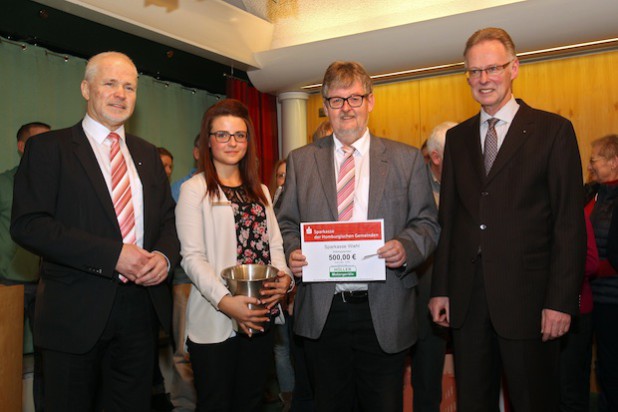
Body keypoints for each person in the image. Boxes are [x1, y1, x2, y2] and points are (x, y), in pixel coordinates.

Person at [10, 52, 180, 412]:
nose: (121, 93)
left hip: (140, 313)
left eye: (130, 86)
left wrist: (164, 257)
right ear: (86, 88)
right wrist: (113, 254)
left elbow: (168, 220)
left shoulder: (148, 155)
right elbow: (29, 225)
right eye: (110, 83)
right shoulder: (48, 149)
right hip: (73, 314)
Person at [429, 27, 585, 411]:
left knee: (535, 401)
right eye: (475, 72)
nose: (484, 79)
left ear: (514, 68)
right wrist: (441, 288)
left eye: (492, 68)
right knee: (474, 403)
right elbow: (450, 220)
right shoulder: (459, 140)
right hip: (468, 303)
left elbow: (568, 223)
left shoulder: (553, 131)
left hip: (531, 303)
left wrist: (561, 302)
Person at [277, 61, 439, 412]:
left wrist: (406, 247)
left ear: (371, 102)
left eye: (354, 98)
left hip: (384, 306)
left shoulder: (406, 159)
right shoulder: (302, 161)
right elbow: (286, 221)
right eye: (336, 100)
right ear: (325, 106)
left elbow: (428, 223)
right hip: (324, 308)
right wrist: (292, 251)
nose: (346, 108)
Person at [175, 98, 293, 412]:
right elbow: (192, 258)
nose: (232, 142)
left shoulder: (261, 191)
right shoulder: (194, 190)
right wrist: (227, 303)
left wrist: (286, 280)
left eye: (239, 135)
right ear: (208, 141)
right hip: (216, 317)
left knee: (251, 402)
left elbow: (276, 248)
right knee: (216, 404)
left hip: (260, 313)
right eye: (223, 135)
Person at [0, 121, 50, 411]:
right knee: (7, 356)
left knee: (47, 358)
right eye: (38, 141)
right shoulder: (5, 184)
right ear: (22, 147)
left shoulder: (59, 186)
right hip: (8, 284)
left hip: (47, 285)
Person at [410, 121, 455, 412]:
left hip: (466, 293)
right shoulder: (413, 186)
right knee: (426, 377)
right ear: (436, 157)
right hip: (423, 295)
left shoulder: (473, 183)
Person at [585, 134, 618, 411]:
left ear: (613, 162)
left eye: (594, 159)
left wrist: (589, 270)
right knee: (602, 367)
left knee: (612, 366)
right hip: (591, 299)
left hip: (612, 300)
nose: (590, 166)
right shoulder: (592, 194)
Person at [169, 135, 200, 412]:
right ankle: (184, 406)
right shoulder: (179, 189)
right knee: (183, 349)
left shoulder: (232, 185)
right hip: (184, 278)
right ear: (197, 152)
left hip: (223, 279)